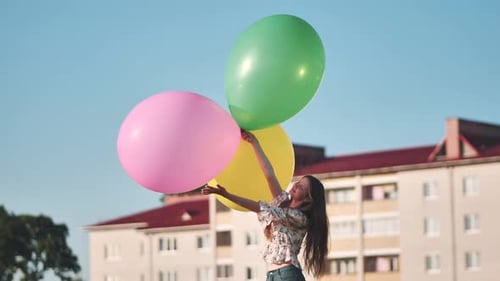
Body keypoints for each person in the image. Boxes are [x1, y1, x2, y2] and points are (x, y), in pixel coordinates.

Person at [201, 130, 329, 280]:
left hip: (287, 274)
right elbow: (269, 174)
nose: (295, 186)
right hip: (273, 275)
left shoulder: (300, 217)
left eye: (301, 187)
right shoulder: (282, 203)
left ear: (308, 199)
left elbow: (259, 207)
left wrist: (227, 195)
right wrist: (254, 143)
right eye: (298, 182)